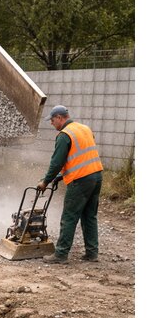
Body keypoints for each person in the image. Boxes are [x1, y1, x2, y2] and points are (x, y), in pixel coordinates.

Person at [36, 105, 103, 264]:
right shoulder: (84, 128)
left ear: (59, 118)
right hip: (96, 175)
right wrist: (60, 177)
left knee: (69, 216)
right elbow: (81, 157)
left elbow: (56, 163)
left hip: (81, 180)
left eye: (52, 120)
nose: (51, 123)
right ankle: (92, 253)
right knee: (89, 216)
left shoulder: (64, 135)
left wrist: (45, 181)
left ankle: (61, 254)